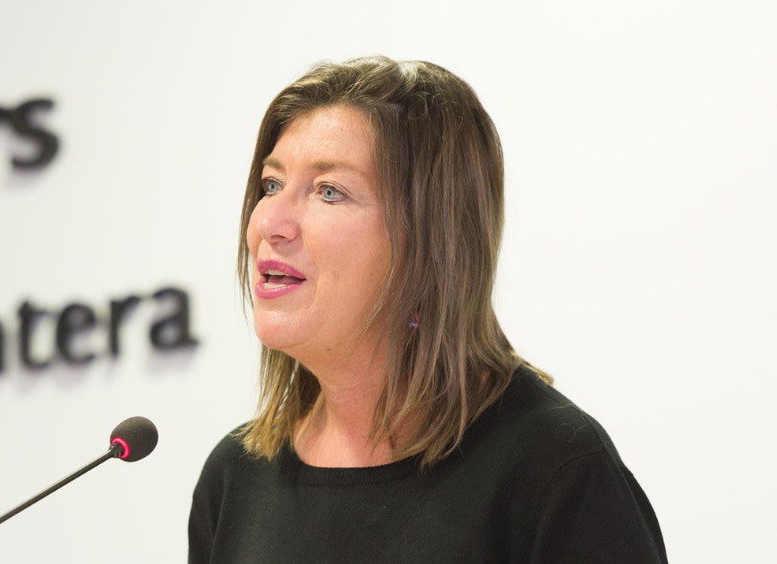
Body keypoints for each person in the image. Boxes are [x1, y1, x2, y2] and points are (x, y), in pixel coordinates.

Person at [188, 56, 667, 563]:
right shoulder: (235, 477)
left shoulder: (554, 470)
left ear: (431, 240)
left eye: (329, 191)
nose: (269, 223)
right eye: (271, 185)